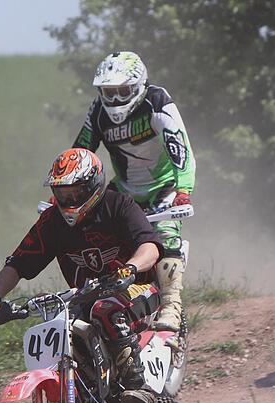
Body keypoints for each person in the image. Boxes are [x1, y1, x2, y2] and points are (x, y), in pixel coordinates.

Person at [0, 148, 164, 403]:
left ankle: (137, 388)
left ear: (92, 185)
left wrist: (130, 269)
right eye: (62, 192)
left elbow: (151, 246)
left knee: (106, 309)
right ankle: (87, 397)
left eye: (75, 191)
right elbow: (17, 263)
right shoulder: (51, 222)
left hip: (138, 289)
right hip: (86, 298)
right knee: (64, 326)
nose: (68, 198)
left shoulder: (119, 205)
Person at [73, 51, 195, 331]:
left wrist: (184, 189)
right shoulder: (98, 111)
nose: (115, 100)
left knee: (165, 237)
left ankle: (171, 306)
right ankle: (96, 304)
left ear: (139, 86)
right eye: (108, 92)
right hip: (124, 190)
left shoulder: (157, 101)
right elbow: (80, 151)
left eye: (122, 91)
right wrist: (66, 192)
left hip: (162, 188)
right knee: (93, 235)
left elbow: (181, 149)